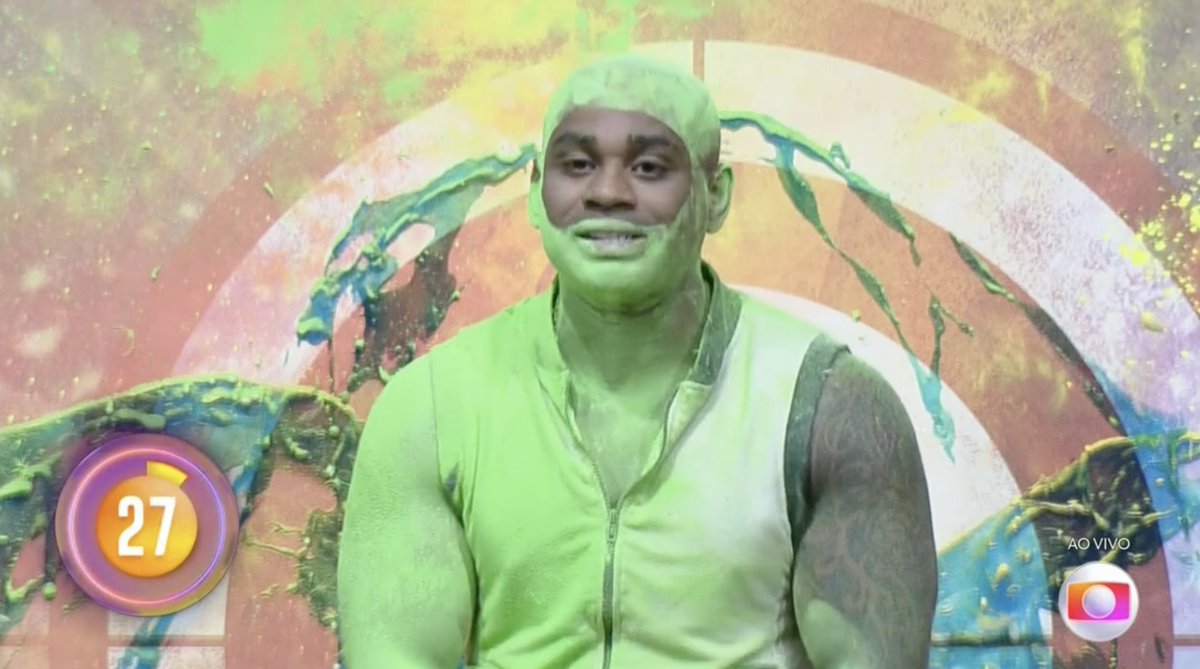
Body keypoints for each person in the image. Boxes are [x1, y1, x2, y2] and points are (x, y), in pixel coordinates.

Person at [337, 53, 937, 669]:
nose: (607, 193)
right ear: (537, 190)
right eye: (577, 165)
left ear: (716, 196)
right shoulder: (432, 409)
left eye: (649, 167)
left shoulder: (829, 406)